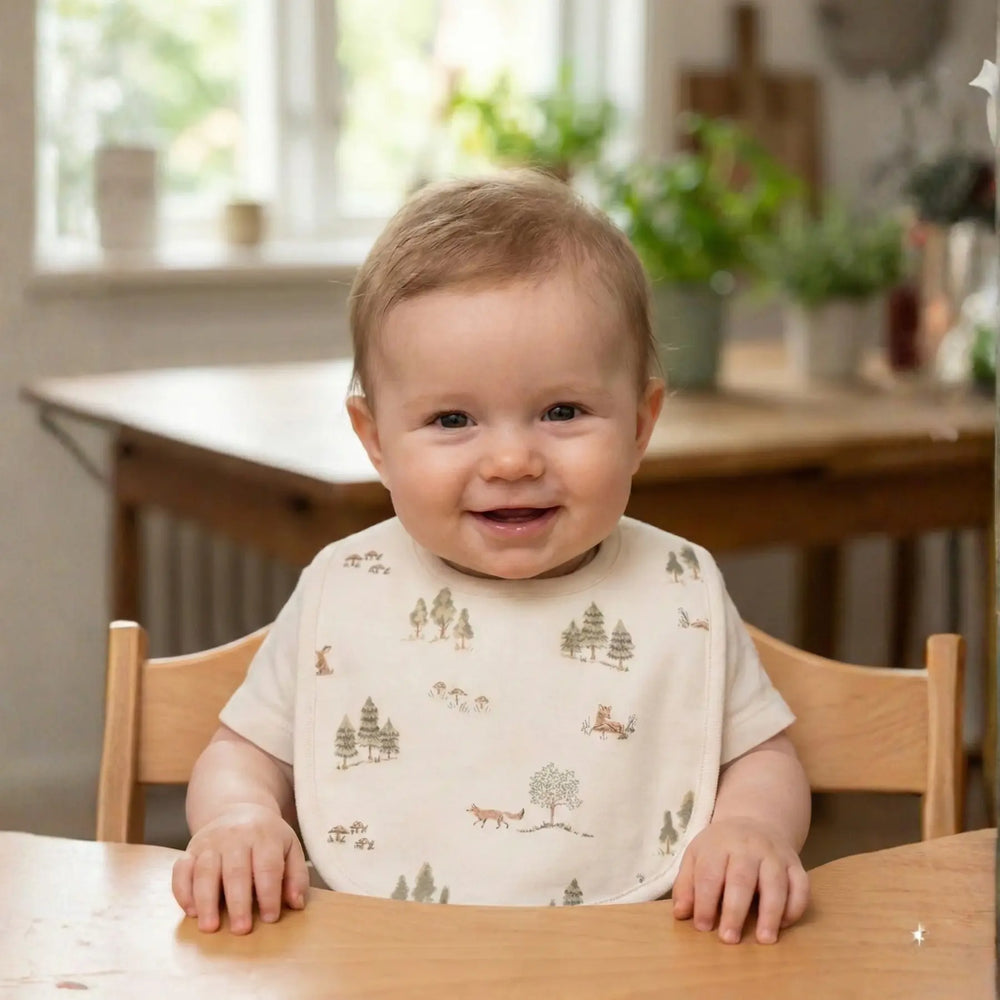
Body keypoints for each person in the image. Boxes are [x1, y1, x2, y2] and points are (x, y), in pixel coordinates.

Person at [173, 171, 811, 943]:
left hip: (627, 972)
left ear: (641, 424)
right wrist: (239, 817)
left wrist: (751, 828)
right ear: (375, 440)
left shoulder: (678, 589)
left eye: (563, 411)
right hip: (378, 968)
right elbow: (242, 750)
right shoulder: (347, 587)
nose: (512, 460)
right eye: (452, 419)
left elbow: (764, 755)